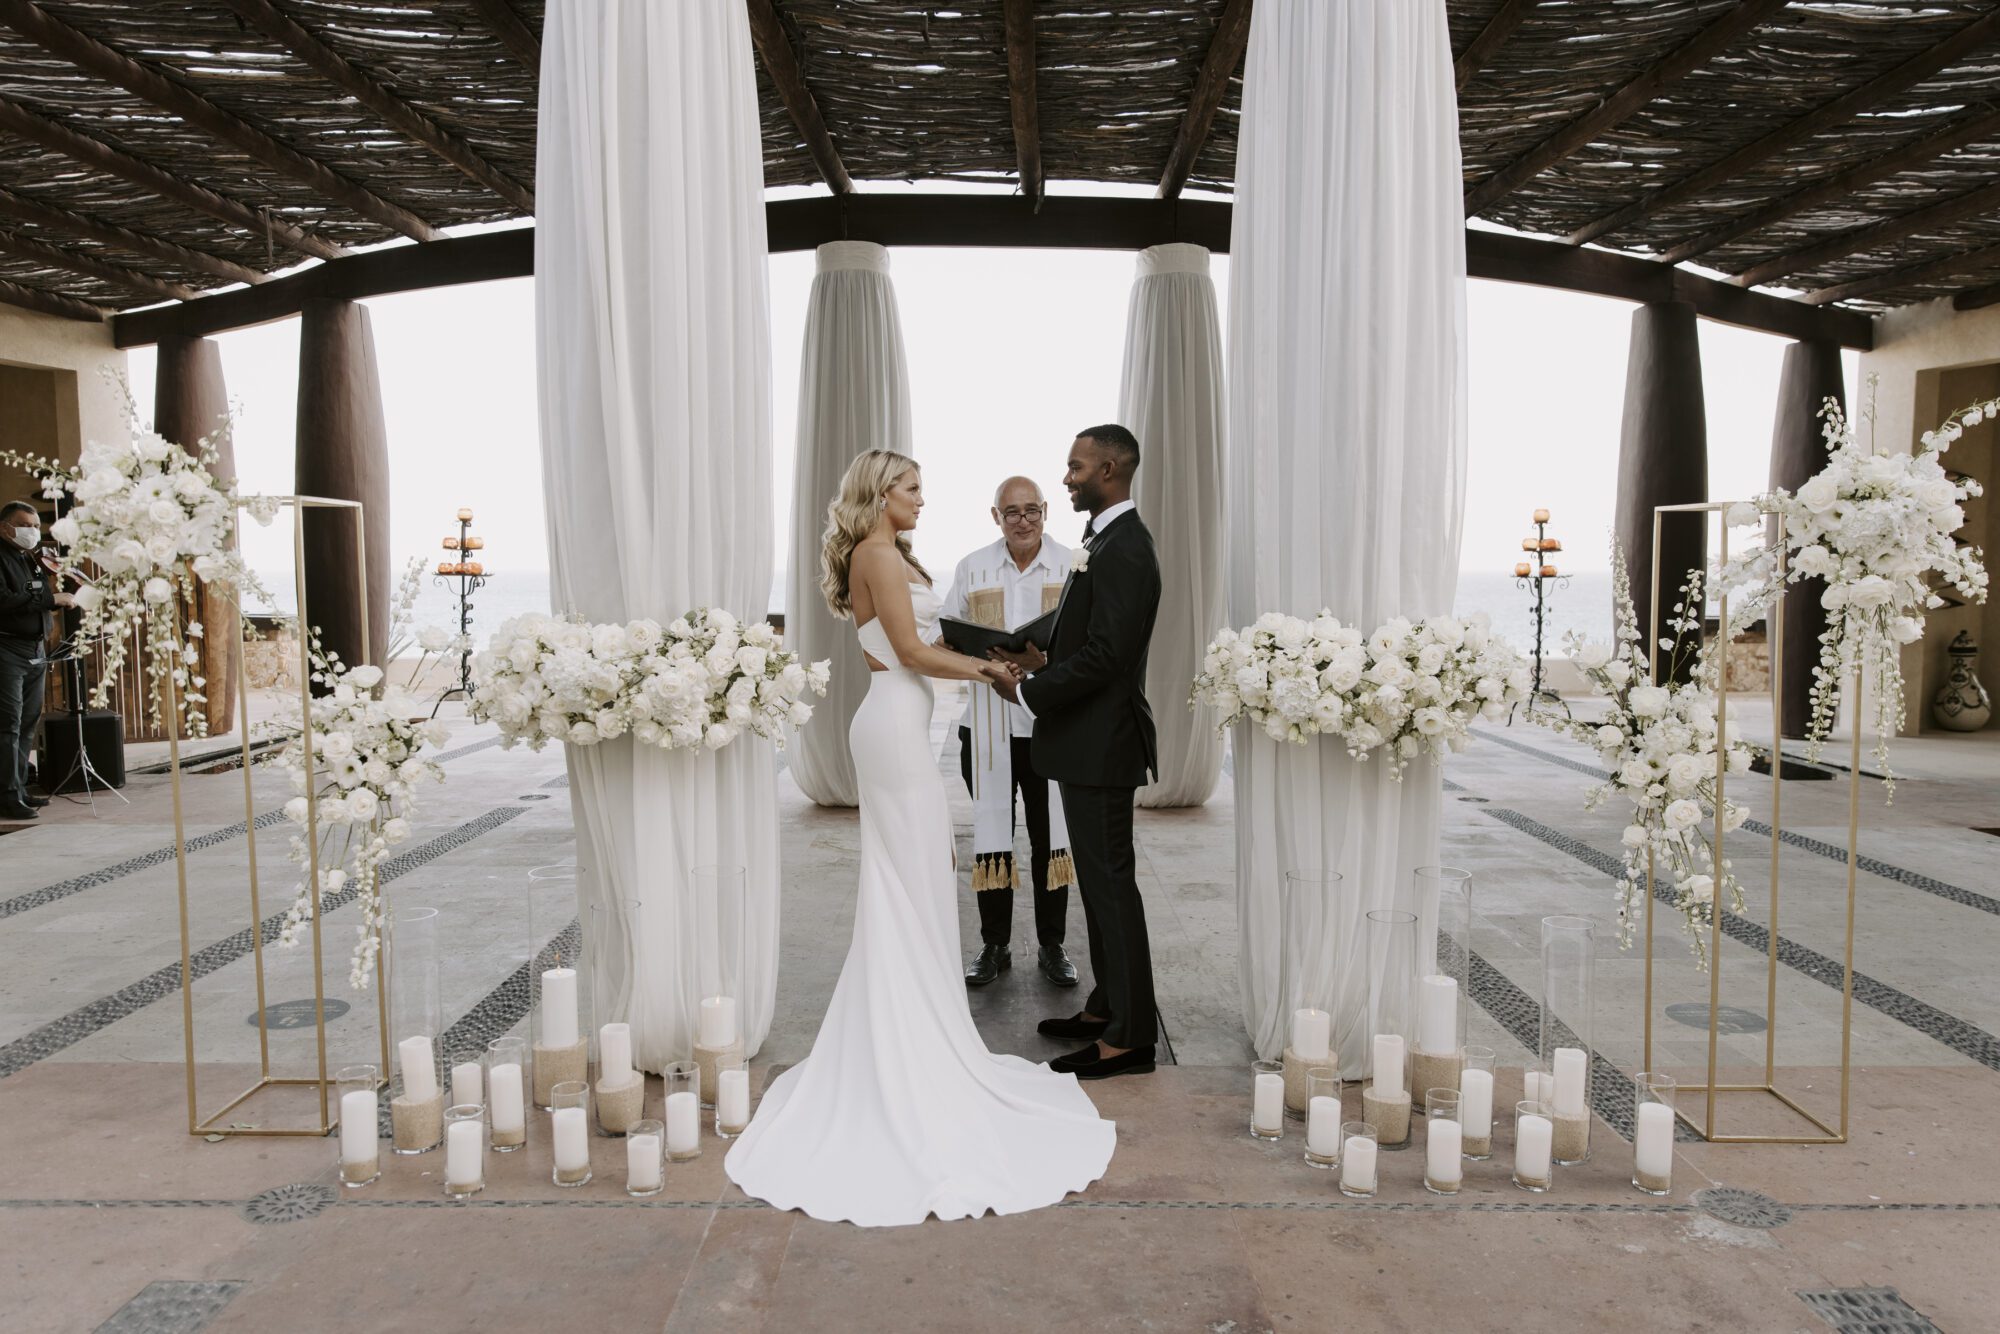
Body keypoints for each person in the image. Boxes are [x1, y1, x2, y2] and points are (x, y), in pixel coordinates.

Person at [724, 449, 1115, 1227]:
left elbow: (914, 645)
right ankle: (909, 1052)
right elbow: (908, 653)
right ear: (877, 494)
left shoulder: (889, 553)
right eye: (910, 489)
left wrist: (988, 661)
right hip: (896, 722)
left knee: (915, 880)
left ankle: (916, 1036)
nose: (921, 500)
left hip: (899, 721)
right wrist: (992, 673)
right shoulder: (875, 551)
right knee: (910, 880)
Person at [990, 425, 1162, 1081]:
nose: (1067, 478)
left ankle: (1130, 1038)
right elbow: (1090, 637)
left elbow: (1110, 655)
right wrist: (1042, 655)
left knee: (1113, 891)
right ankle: (1106, 1005)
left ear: (1110, 469)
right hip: (1087, 743)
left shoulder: (1126, 547)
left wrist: (1032, 690)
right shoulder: (1104, 539)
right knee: (1099, 887)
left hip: (1105, 744)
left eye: (1076, 467)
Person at [943, 476, 1078, 989]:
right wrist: (978, 651)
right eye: (1012, 512)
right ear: (995, 516)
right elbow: (948, 635)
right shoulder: (972, 567)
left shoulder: (1071, 565)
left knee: (1051, 841)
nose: (1023, 520)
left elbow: (1090, 644)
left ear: (1046, 511)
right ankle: (994, 945)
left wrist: (1044, 659)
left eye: (1032, 511)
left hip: (1052, 727)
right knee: (992, 835)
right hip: (986, 728)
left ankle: (1052, 945)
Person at [0, 500, 73, 821]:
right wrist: (48, 598)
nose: (32, 531)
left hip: (35, 649)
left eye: (35, 526)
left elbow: (37, 596)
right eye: (25, 525)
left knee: (28, 722)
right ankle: (7, 796)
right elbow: (4, 601)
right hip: (7, 649)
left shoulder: (27, 557)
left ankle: (17, 786)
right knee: (8, 725)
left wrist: (60, 592)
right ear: (6, 527)